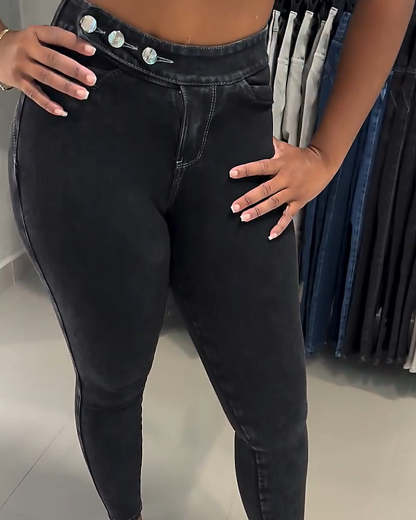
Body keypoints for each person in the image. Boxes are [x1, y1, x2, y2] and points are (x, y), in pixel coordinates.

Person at [0, 0, 413, 518]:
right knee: (111, 380)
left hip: (234, 117)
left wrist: (325, 156)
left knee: (277, 417)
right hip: (89, 100)